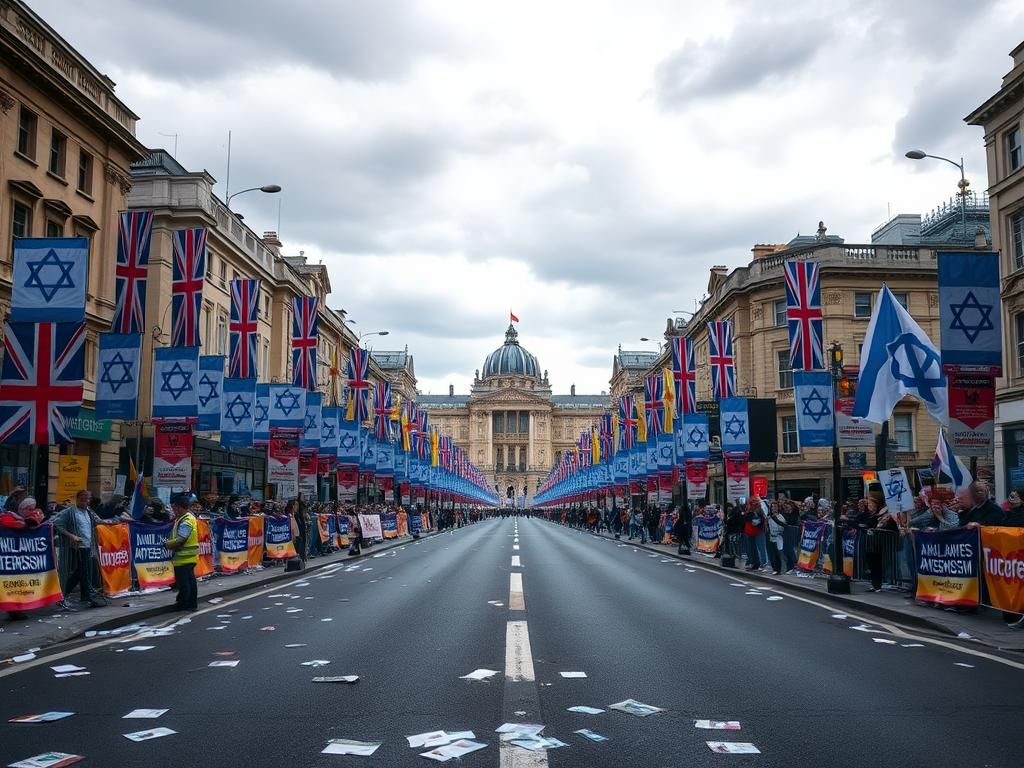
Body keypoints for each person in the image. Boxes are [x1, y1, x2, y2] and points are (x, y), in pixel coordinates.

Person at [53, 490, 116, 609]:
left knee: (81, 572)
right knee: (83, 571)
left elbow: (98, 521)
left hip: (88, 545)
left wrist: (110, 522)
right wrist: (72, 536)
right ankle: (84, 597)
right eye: (82, 498)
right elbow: (57, 524)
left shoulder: (89, 512)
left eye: (87, 498)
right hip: (77, 547)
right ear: (77, 498)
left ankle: (70, 595)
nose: (85, 500)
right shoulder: (70, 512)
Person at [163, 493, 199, 612]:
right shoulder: (186, 518)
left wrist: (168, 544)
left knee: (184, 583)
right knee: (190, 582)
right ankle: (191, 604)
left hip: (183, 557)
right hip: (189, 557)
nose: (174, 510)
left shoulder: (186, 520)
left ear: (180, 507)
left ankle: (183, 604)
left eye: (175, 508)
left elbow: (182, 539)